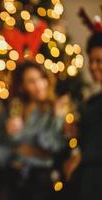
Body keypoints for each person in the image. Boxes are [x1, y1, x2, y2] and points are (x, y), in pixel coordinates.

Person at [0, 61, 66, 200]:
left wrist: (56, 118)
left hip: (40, 178)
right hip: (11, 175)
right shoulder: (14, 108)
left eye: (41, 78)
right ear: (22, 86)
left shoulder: (54, 110)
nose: (39, 85)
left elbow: (54, 147)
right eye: (31, 81)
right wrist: (11, 140)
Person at [66, 32, 102, 200]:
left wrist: (83, 156)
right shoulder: (92, 101)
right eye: (91, 60)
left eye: (99, 61)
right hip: (87, 182)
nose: (93, 66)